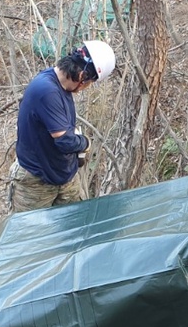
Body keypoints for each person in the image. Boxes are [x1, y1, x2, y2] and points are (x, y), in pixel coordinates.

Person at [10, 40, 116, 213]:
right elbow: (65, 141)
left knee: (74, 229)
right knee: (32, 236)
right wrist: (85, 143)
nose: (85, 89)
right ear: (83, 76)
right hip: (37, 183)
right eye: (90, 83)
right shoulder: (47, 90)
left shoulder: (60, 87)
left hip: (64, 177)